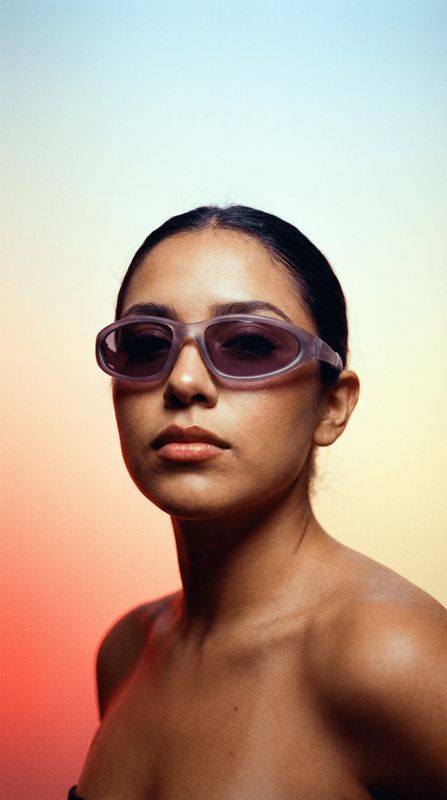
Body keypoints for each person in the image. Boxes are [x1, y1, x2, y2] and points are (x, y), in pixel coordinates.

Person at [70, 206, 447, 800]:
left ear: (332, 406)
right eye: (145, 344)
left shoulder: (393, 657)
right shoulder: (125, 653)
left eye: (247, 343)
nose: (185, 382)